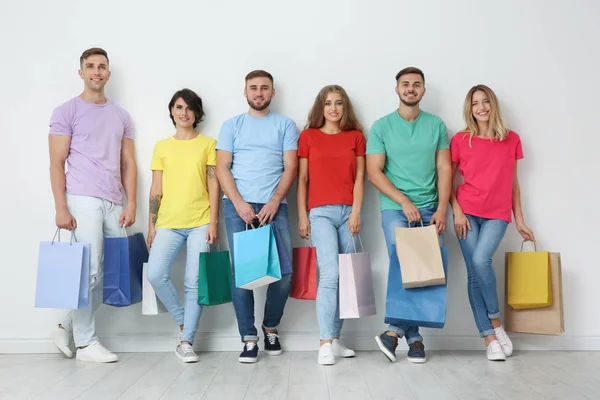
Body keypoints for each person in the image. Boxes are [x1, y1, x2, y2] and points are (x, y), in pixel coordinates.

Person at [49, 47, 138, 363]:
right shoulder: (66, 111)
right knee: (91, 269)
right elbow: (56, 163)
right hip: (82, 197)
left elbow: (128, 163)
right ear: (81, 73)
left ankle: (66, 323)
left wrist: (132, 204)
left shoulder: (121, 116)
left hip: (114, 201)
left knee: (114, 273)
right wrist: (61, 207)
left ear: (108, 74)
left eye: (102, 67)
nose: (96, 72)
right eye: (90, 67)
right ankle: (86, 344)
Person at [366, 67, 451, 364]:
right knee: (405, 266)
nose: (411, 89)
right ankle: (412, 339)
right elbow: (373, 172)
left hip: (430, 208)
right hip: (395, 208)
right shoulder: (381, 127)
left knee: (424, 270)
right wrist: (402, 200)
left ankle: (398, 334)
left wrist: (442, 208)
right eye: (405, 84)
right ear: (397, 89)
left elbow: (444, 168)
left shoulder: (437, 125)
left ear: (424, 91)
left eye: (416, 84)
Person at [216, 70, 298, 363]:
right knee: (243, 275)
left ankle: (270, 326)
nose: (259, 93)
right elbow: (222, 167)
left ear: (272, 93)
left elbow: (290, 167)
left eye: (265, 88)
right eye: (254, 88)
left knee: (285, 273)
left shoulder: (285, 125)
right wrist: (238, 203)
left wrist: (275, 200)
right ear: (245, 92)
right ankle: (249, 338)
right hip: (239, 206)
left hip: (274, 205)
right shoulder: (232, 125)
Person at [450, 84, 535, 361]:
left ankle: (495, 323)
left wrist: (519, 219)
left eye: (485, 102)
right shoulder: (461, 140)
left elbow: (514, 184)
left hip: (497, 214)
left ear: (493, 105)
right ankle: (490, 337)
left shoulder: (511, 139)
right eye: (475, 103)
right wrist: (456, 211)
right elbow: (447, 181)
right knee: (474, 271)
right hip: (467, 212)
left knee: (480, 261)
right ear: (469, 109)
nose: (481, 108)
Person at [146, 89, 219, 363]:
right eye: (179, 107)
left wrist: (213, 222)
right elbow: (155, 188)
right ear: (172, 111)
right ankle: (182, 320)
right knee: (155, 274)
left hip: (201, 222)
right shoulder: (162, 146)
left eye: (189, 108)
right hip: (168, 223)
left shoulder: (208, 144)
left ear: (196, 113)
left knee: (193, 282)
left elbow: (214, 184)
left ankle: (186, 340)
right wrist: (152, 224)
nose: (184, 112)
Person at [297, 85, 365, 365]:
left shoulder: (356, 137)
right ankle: (325, 341)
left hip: (349, 213)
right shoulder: (308, 137)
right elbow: (302, 180)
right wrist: (303, 215)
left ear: (344, 107)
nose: (333, 108)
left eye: (338, 103)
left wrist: (357, 212)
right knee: (330, 274)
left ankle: (335, 340)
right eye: (328, 103)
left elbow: (361, 178)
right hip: (320, 213)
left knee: (347, 276)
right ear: (321, 107)